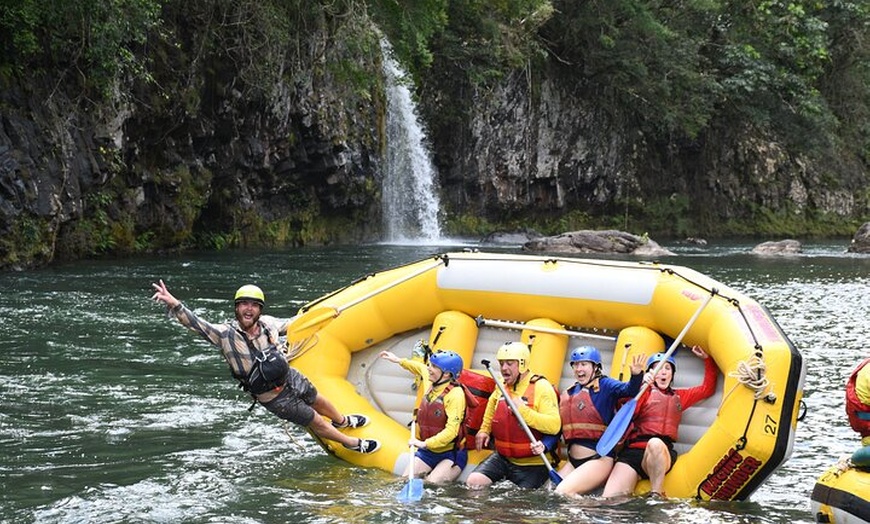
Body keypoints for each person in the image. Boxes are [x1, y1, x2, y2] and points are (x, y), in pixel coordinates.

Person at [151, 279, 380, 454]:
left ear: (260, 309)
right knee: (315, 419)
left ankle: (342, 421)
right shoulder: (225, 334)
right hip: (272, 396)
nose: (248, 309)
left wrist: (327, 316)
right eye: (244, 304)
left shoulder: (268, 324)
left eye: (254, 305)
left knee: (317, 398)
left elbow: (294, 325)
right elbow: (196, 324)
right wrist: (175, 304)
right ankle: (351, 443)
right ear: (236, 308)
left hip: (289, 376)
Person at [602, 345, 717, 498]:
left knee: (655, 443)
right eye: (658, 368)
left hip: (662, 452)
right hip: (633, 453)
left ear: (672, 374)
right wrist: (642, 385)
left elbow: (707, 389)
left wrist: (707, 360)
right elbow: (629, 411)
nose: (663, 372)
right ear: (651, 373)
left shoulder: (680, 397)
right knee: (609, 499)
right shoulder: (641, 392)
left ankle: (656, 495)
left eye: (667, 368)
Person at [466, 341, 561, 489]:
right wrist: (484, 430)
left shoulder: (542, 387)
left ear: (522, 364)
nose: (504, 368)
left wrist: (523, 411)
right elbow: (491, 407)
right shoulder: (501, 386)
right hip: (504, 458)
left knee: (518, 500)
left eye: (510, 363)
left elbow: (554, 426)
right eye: (501, 363)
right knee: (474, 482)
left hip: (534, 463)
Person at [552, 346, 646, 497]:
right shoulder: (571, 391)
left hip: (599, 459)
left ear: (595, 367)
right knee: (549, 492)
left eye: (584, 364)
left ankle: (590, 510)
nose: (579, 369)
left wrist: (636, 376)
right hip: (573, 461)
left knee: (562, 492)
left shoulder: (605, 385)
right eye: (576, 365)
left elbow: (629, 390)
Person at [379, 348, 469, 483]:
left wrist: (424, 443)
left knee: (432, 484)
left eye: (434, 367)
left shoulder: (456, 395)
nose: (429, 369)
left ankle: (451, 470)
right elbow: (419, 367)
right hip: (428, 452)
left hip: (450, 454)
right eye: (430, 365)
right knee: (404, 480)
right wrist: (398, 360)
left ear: (446, 374)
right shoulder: (432, 380)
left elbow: (451, 431)